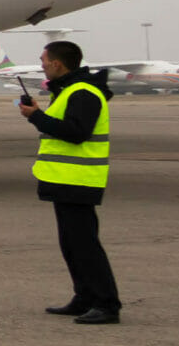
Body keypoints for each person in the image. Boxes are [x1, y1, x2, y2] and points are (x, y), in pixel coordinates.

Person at [18, 40, 121, 325]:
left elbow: (76, 132)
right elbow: (60, 127)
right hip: (64, 180)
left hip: (79, 179)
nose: (41, 65)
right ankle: (85, 297)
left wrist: (36, 116)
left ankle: (107, 303)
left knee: (85, 245)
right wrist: (38, 115)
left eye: (43, 60)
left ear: (57, 64)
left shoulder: (84, 93)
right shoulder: (68, 92)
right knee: (71, 244)